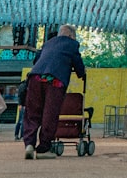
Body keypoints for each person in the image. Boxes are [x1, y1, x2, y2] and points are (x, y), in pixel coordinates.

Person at [22, 25, 86, 159]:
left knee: (32, 112)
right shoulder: (72, 44)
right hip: (55, 80)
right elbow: (78, 63)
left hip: (35, 77)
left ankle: (29, 144)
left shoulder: (47, 43)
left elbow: (37, 59)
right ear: (71, 36)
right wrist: (81, 73)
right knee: (49, 113)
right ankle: (44, 148)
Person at [14, 76, 28, 141]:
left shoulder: (23, 84)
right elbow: (21, 95)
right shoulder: (25, 85)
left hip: (23, 105)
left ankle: (17, 135)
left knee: (20, 120)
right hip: (24, 105)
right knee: (22, 121)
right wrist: (20, 104)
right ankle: (22, 135)